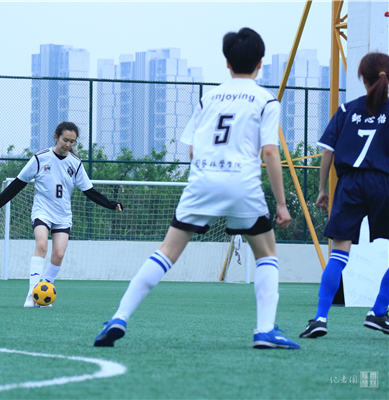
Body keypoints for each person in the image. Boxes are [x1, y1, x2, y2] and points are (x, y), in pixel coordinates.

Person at [94, 28, 300, 349]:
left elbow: (191, 149)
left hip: (203, 181)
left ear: (227, 63)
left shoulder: (209, 98)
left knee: (166, 252)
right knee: (266, 254)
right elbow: (270, 152)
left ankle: (120, 316)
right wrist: (282, 205)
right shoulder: (266, 100)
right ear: (260, 63)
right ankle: (264, 331)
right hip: (242, 184)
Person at [300, 53, 389, 338]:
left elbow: (328, 151)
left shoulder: (346, 109)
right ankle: (378, 312)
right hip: (382, 183)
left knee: (338, 255)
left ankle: (320, 319)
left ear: (362, 78)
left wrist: (323, 190)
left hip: (349, 184)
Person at [0, 121, 123, 307]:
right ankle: (32, 294)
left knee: (58, 254)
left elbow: (89, 191)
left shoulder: (75, 164)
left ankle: (44, 293)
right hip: (42, 211)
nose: (68, 144)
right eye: (65, 140)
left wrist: (111, 204)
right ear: (56, 137)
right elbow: (19, 183)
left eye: (72, 142)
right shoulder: (40, 158)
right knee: (42, 245)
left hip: (63, 215)